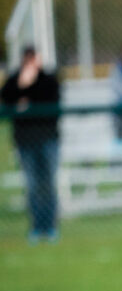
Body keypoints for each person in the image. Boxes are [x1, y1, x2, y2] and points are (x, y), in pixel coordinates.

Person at [2, 47, 61, 243]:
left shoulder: (48, 79)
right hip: (25, 141)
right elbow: (7, 98)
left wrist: (27, 94)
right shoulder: (14, 80)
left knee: (48, 184)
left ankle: (50, 227)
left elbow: (51, 99)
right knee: (32, 185)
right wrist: (23, 84)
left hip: (48, 139)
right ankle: (36, 227)